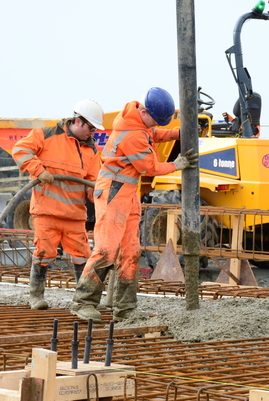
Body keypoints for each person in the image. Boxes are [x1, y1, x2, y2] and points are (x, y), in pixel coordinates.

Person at [71, 87, 199, 322]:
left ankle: (125, 307)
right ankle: (83, 302)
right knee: (106, 250)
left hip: (128, 192)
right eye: (156, 120)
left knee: (130, 251)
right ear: (144, 110)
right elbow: (149, 168)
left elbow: (154, 135)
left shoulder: (139, 123)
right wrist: (177, 165)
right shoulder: (132, 135)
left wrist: (177, 133)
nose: (155, 125)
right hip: (113, 191)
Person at [13, 99, 105, 310]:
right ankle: (36, 296)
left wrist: (100, 196)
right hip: (47, 213)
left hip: (74, 215)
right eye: (91, 128)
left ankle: (84, 299)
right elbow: (20, 150)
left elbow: (93, 182)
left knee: (82, 256)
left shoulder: (91, 151)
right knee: (44, 253)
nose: (92, 133)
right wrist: (38, 169)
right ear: (79, 121)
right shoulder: (45, 135)